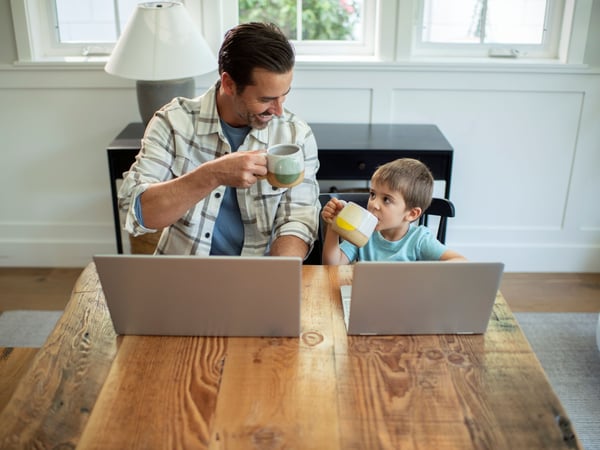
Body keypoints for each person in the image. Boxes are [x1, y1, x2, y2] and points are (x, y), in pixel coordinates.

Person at [118, 22, 320, 258]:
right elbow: (140, 212)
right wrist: (212, 174)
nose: (278, 111)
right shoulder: (173, 123)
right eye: (266, 99)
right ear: (229, 84)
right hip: (183, 274)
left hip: (259, 278)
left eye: (284, 96)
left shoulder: (296, 134)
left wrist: (275, 276)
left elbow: (298, 218)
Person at [321, 158, 466, 264]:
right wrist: (334, 228)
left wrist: (427, 275)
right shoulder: (364, 231)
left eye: (386, 200)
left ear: (411, 214)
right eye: (372, 194)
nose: (374, 204)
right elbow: (332, 265)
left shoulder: (419, 239)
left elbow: (460, 261)